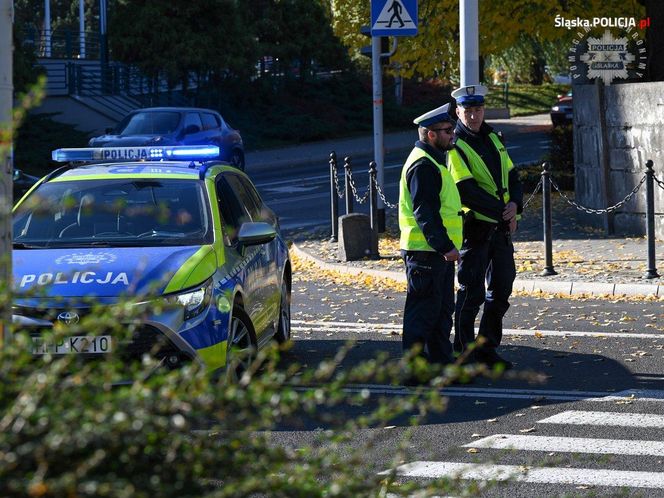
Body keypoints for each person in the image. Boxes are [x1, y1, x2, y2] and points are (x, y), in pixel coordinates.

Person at [447, 84, 524, 370]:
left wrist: (516, 204)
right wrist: (503, 213)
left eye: (478, 110)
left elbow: (513, 176)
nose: (474, 116)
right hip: (476, 231)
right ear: (458, 112)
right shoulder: (455, 144)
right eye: (468, 111)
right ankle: (464, 353)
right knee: (471, 293)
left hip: (500, 231)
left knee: (502, 289)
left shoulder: (493, 137)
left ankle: (487, 348)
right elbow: (466, 191)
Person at [398, 103, 463, 377]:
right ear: (431, 134)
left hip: (435, 253)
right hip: (426, 253)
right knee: (422, 314)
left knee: (439, 313)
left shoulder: (434, 160)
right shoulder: (423, 165)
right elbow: (424, 213)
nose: (452, 134)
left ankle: (439, 367)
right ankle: (415, 372)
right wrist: (445, 246)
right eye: (447, 130)